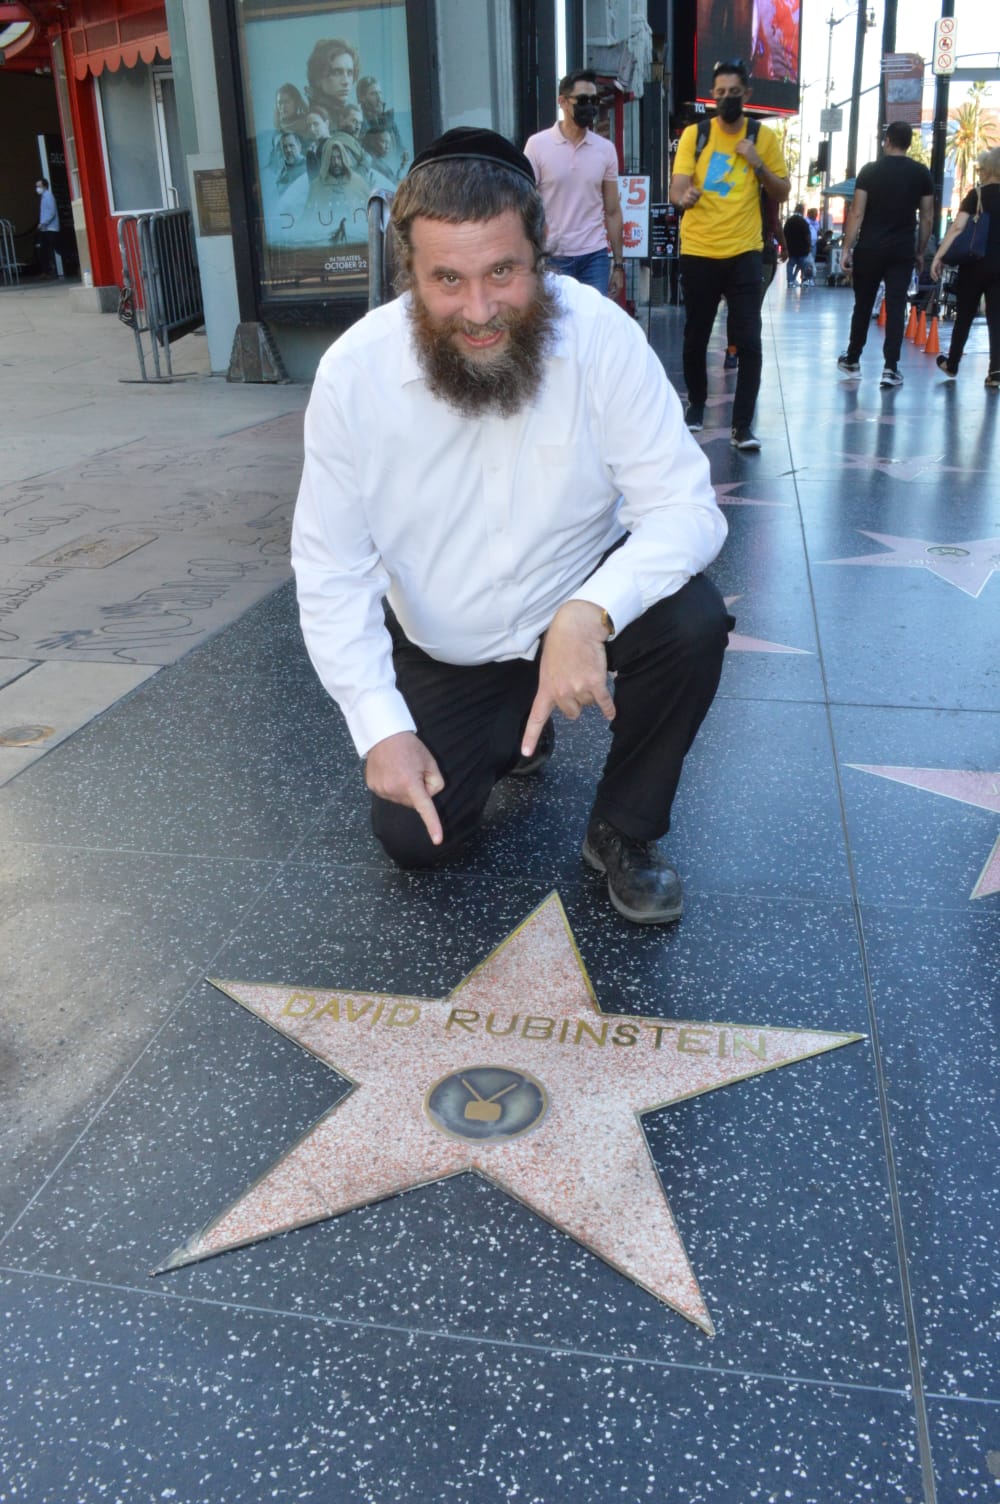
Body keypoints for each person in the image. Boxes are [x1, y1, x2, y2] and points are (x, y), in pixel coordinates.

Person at [291, 128, 731, 925]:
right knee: (415, 841)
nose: (480, 309)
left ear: (541, 254)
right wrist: (378, 729)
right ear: (410, 276)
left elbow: (686, 509)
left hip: (574, 605)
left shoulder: (599, 336)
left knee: (693, 622)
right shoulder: (354, 375)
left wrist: (588, 612)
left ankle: (623, 828)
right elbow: (330, 571)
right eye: (447, 280)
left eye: (503, 271)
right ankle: (515, 732)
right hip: (446, 645)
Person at [669, 57, 790, 451]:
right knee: (695, 337)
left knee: (749, 341)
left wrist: (757, 165)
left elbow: (782, 191)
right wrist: (684, 196)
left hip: (744, 251)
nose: (726, 100)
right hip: (700, 250)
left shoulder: (762, 138)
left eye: (733, 93)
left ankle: (742, 426)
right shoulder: (695, 135)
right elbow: (676, 188)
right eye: (719, 93)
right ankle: (697, 404)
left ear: (747, 95)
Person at [836, 121, 934, 388]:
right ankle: (891, 367)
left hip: (870, 247)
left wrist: (846, 248)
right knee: (896, 304)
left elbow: (857, 212)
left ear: (887, 140)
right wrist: (921, 251)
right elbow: (926, 218)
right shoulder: (921, 173)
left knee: (863, 305)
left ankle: (853, 358)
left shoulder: (870, 171)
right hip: (902, 249)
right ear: (909, 144)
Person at [524, 69, 624, 298]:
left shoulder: (605, 150)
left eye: (594, 100)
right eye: (582, 100)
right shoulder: (537, 145)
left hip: (594, 255)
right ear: (563, 102)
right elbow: (525, 203)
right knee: (554, 326)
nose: (589, 106)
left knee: (592, 323)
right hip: (552, 255)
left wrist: (618, 265)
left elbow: (612, 210)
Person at [930, 146, 1000, 389]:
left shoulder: (977, 195)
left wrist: (939, 255)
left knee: (965, 314)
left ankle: (953, 363)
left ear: (987, 168)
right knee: (996, 318)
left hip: (975, 264)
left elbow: (958, 227)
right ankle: (996, 370)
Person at [306, 38, 361, 117]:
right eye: (337, 72)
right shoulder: (314, 119)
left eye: (350, 73)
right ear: (318, 78)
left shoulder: (348, 114)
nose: (346, 81)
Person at [35, 178, 61, 277]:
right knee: (42, 248)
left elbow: (52, 211)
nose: (37, 188)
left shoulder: (48, 196)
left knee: (58, 248)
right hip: (45, 229)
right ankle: (46, 271)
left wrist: (43, 222)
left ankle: (73, 262)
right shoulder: (43, 197)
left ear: (44, 186)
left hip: (51, 228)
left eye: (39, 186)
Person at [783, 202, 813, 286]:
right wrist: (809, 245)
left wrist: (785, 246)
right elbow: (807, 235)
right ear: (802, 210)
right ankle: (805, 280)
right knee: (804, 265)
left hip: (791, 247)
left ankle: (790, 281)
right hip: (802, 248)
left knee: (790, 265)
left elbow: (784, 233)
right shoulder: (803, 222)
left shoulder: (789, 221)